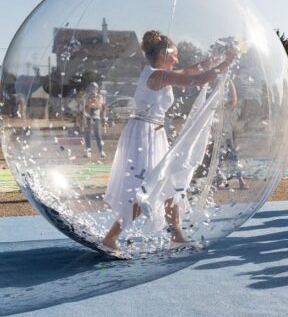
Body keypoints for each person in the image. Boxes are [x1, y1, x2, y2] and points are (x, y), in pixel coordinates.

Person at [102, 30, 234, 252]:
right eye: (175, 55)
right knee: (147, 187)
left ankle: (177, 235)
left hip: (154, 132)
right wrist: (227, 63)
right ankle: (111, 237)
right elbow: (195, 79)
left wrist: (220, 58)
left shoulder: (160, 74)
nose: (177, 59)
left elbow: (193, 70)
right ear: (163, 53)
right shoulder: (155, 76)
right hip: (143, 134)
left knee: (169, 181)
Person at [82, 82, 106, 158]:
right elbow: (84, 106)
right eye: (92, 87)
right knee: (87, 135)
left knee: (98, 134)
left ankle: (101, 151)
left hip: (96, 117)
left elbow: (100, 106)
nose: (93, 89)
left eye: (94, 88)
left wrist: (94, 100)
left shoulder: (99, 96)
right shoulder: (86, 96)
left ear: (97, 89)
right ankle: (88, 151)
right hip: (88, 117)